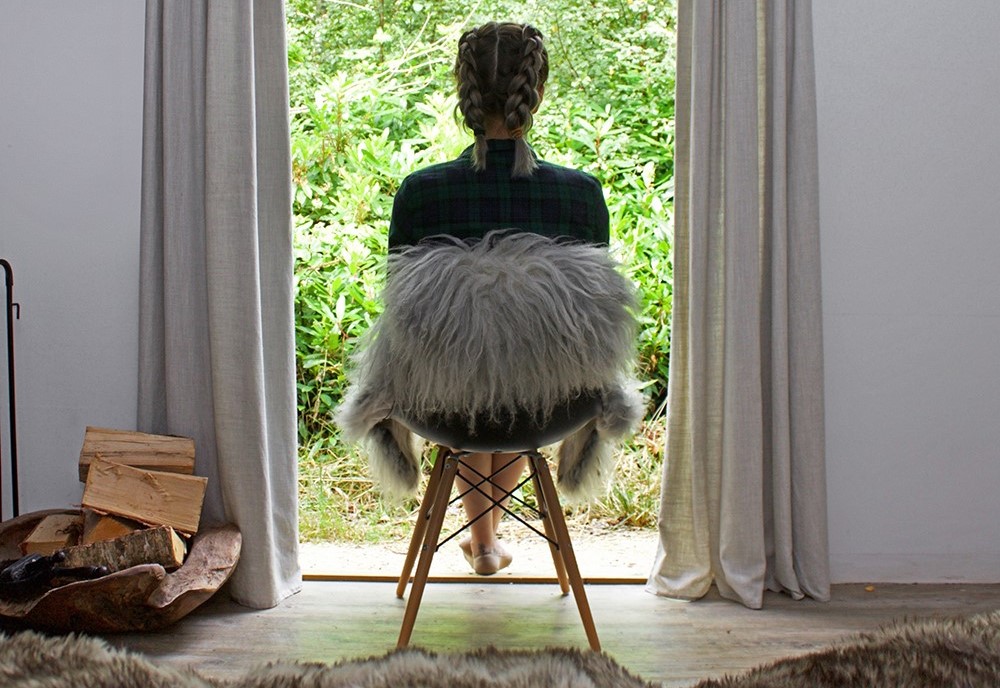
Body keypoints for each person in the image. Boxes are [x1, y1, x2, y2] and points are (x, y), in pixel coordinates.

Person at [387, 21, 610, 575]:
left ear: (463, 92)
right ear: (535, 94)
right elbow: (593, 314)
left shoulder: (422, 192)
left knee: (470, 370)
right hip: (552, 400)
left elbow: (402, 311)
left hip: (442, 399)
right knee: (526, 366)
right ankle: (487, 541)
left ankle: (481, 543)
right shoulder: (579, 195)